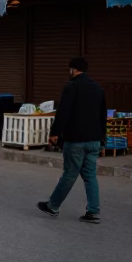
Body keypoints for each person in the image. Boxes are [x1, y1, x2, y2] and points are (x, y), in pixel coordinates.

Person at [39, 57, 107, 223]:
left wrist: (55, 133)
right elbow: (102, 115)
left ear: (74, 70)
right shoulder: (98, 88)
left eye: (69, 69)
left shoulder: (71, 87)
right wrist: (102, 138)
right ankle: (93, 211)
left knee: (69, 174)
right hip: (94, 140)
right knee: (90, 176)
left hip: (76, 140)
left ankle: (53, 206)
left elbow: (63, 112)